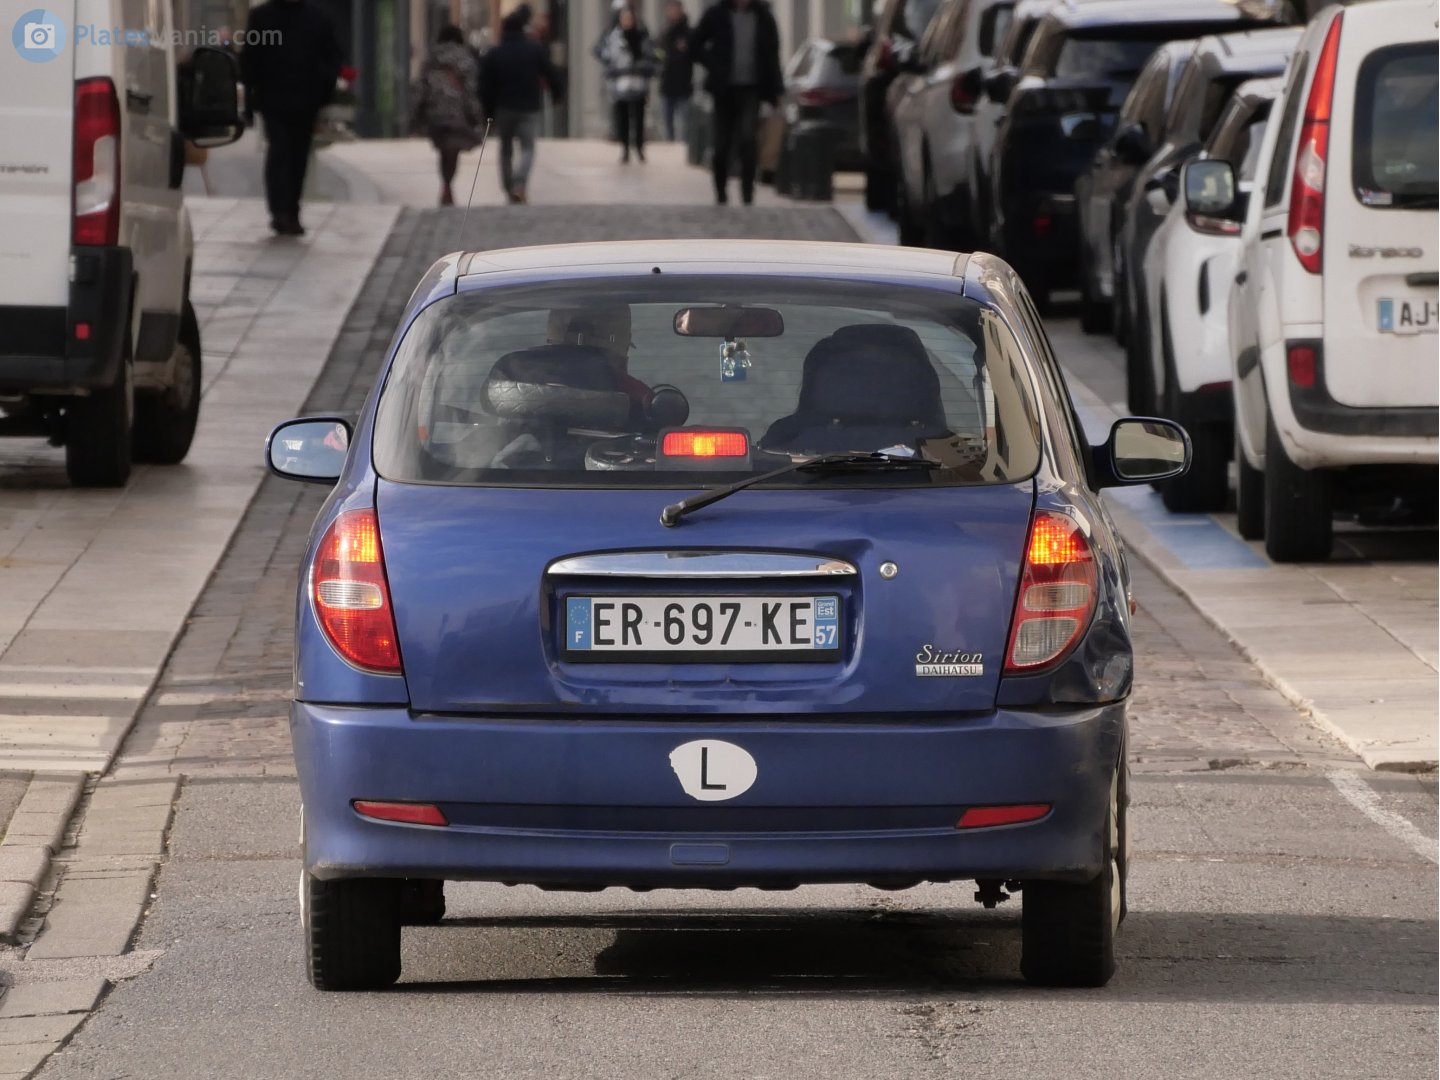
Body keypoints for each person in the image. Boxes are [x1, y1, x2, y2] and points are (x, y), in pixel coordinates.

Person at [240, 0, 343, 236]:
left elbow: (249, 60)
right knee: (286, 153)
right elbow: (250, 60)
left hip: (295, 98)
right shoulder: (315, 17)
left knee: (291, 154)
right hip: (286, 98)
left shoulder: (268, 16)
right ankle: (282, 212)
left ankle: (287, 211)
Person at [690, 0, 783, 205]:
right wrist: (713, 64)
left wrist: (777, 90)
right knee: (721, 145)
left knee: (748, 140)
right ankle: (721, 191)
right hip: (723, 90)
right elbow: (694, 44)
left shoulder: (763, 17)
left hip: (752, 89)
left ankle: (747, 192)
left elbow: (772, 54)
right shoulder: (716, 14)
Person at [480, 4, 564, 204]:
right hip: (528, 107)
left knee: (506, 149)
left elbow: (485, 86)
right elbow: (550, 73)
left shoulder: (495, 53)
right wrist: (557, 94)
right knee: (528, 148)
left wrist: (487, 112)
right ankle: (520, 183)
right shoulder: (533, 50)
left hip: (504, 107)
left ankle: (509, 187)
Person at [409, 26, 482, 206]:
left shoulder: (431, 59)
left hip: (435, 113)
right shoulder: (465, 59)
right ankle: (447, 184)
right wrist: (476, 114)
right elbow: (471, 90)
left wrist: (416, 114)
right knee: (453, 151)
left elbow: (421, 88)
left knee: (443, 150)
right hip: (457, 113)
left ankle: (446, 185)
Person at [595, 8, 658, 164]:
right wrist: (609, 65)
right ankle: (624, 149)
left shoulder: (642, 36)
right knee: (622, 119)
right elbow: (601, 51)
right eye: (624, 18)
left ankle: (639, 147)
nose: (627, 21)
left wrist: (646, 68)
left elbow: (652, 55)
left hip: (638, 84)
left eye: (630, 18)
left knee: (639, 118)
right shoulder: (613, 37)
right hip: (620, 84)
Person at [658, 1, 694, 142]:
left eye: (675, 9)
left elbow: (693, 53)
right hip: (667, 83)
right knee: (668, 124)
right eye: (670, 9)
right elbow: (658, 53)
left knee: (684, 125)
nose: (672, 12)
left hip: (684, 84)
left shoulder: (688, 33)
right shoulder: (664, 33)